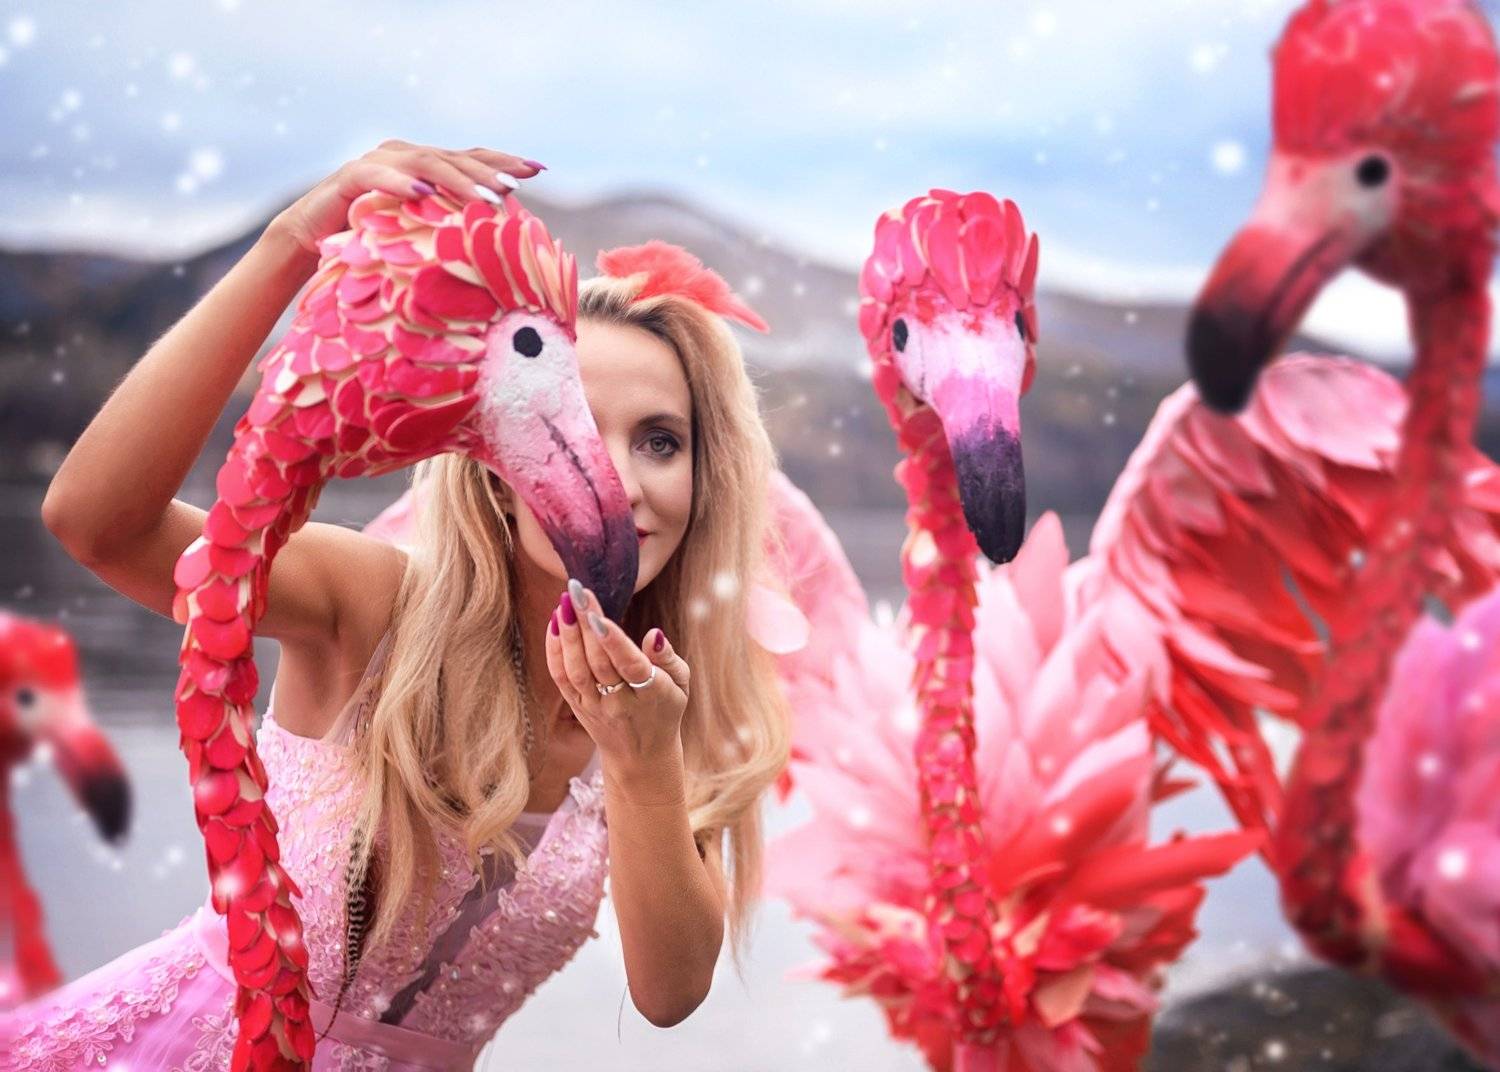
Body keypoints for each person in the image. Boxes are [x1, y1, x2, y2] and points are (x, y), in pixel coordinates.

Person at [5, 140, 790, 1070]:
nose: (615, 477)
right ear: (488, 458)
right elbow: (97, 524)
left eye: (660, 441)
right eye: (575, 415)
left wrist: (642, 761)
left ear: (705, 477)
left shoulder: (673, 704)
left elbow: (670, 994)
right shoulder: (374, 603)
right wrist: (290, 244)